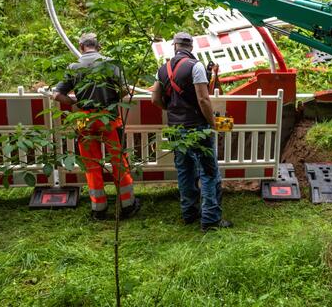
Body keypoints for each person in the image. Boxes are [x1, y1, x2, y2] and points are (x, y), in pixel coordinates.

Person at [53, 33, 140, 220]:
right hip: (108, 117)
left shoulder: (73, 67)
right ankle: (127, 204)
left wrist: (75, 104)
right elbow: (126, 88)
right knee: (119, 161)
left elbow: (57, 95)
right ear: (98, 46)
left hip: (84, 119)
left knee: (91, 165)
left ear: (81, 46)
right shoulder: (111, 63)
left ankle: (98, 209)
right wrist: (113, 100)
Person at [151, 31, 232, 231]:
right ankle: (211, 219)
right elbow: (203, 99)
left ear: (175, 46)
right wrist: (212, 122)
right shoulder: (195, 66)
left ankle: (189, 213)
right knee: (209, 172)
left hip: (176, 128)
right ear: (192, 47)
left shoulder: (163, 69)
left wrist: (171, 110)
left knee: (185, 171)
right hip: (197, 127)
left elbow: (155, 99)